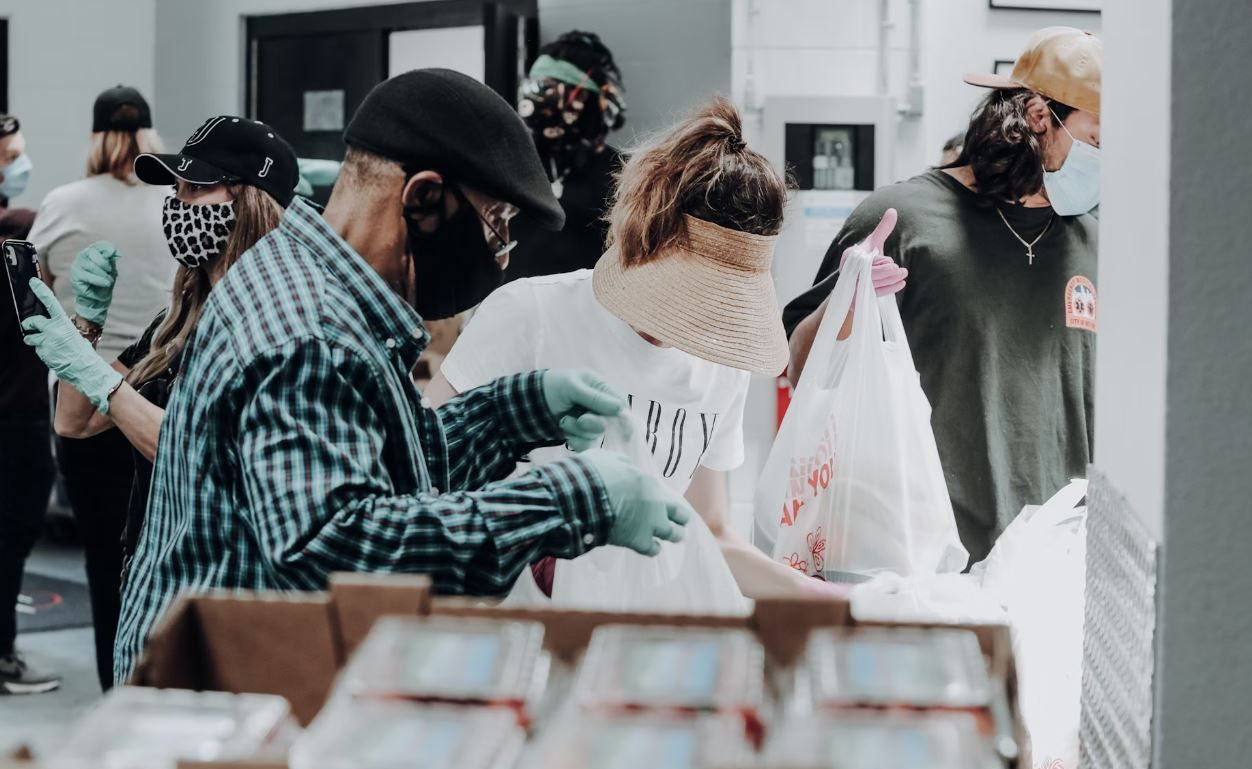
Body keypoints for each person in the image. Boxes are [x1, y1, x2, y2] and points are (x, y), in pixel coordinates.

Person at [113, 70, 689, 683]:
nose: (503, 252)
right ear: (424, 200)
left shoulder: (314, 280)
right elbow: (343, 553)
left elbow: (384, 469)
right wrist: (570, 500)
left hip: (239, 671)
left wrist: (515, 411)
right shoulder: (312, 332)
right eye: (497, 223)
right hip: (218, 707)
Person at [426, 97, 841, 601]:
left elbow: (709, 534)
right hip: (512, 631)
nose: (690, 320)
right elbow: (425, 475)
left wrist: (830, 600)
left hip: (636, 639)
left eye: (717, 301)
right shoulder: (529, 316)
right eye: (688, 291)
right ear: (644, 241)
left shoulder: (720, 369)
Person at [784, 27, 1101, 563]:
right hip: (919, 558)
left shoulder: (1095, 242)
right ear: (1040, 117)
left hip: (1055, 562)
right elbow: (800, 369)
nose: (1107, 160)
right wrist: (851, 304)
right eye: (1099, 139)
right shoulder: (901, 220)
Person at [20, 117, 299, 649]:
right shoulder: (175, 320)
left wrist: (95, 373)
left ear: (249, 202)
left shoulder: (273, 322)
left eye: (195, 188)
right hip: (156, 568)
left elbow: (198, 457)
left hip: (223, 584)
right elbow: (75, 422)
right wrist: (86, 325)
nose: (177, 203)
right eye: (176, 188)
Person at [28, 85, 174, 689]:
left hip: (82, 391)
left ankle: (117, 695)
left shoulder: (62, 204)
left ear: (94, 137)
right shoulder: (174, 200)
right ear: (150, 138)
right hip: (160, 396)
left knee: (101, 562)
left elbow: (34, 288)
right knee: (161, 553)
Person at [0, 115, 60, 694]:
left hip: (17, 405)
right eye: (11, 154)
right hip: (15, 411)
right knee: (12, 531)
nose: (19, 163)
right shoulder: (19, 227)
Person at [507, 30, 626, 282]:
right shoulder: (509, 165)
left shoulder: (622, 174)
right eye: (536, 88)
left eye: (549, 89)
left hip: (586, 313)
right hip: (514, 311)